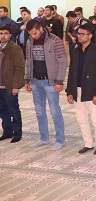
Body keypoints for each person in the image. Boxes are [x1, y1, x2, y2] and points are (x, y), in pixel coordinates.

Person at [24, 19, 67, 150]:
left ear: (41, 28)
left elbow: (62, 62)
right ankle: (44, 138)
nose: (33, 36)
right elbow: (28, 61)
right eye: (31, 34)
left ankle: (60, 140)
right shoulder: (29, 41)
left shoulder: (55, 40)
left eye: (35, 33)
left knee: (55, 111)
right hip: (35, 81)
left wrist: (59, 81)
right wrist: (27, 79)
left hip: (50, 82)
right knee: (39, 111)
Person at [66, 23, 96, 155]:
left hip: (91, 90)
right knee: (81, 119)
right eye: (79, 34)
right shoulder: (75, 51)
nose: (79, 36)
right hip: (77, 89)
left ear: (90, 36)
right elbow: (71, 72)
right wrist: (69, 91)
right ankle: (88, 143)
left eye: (83, 34)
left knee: (95, 119)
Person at [0, 25, 25, 143]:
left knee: (14, 110)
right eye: (1, 33)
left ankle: (17, 133)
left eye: (5, 33)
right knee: (2, 110)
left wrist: (16, 86)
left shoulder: (15, 49)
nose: (3, 36)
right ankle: (7, 132)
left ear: (10, 35)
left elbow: (20, 69)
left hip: (9, 87)